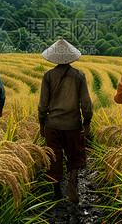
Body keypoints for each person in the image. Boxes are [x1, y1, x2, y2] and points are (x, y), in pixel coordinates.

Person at [38, 38, 93, 203]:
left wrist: (42, 122)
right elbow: (86, 103)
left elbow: (43, 104)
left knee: (54, 157)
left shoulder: (48, 76)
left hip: (52, 124)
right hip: (73, 124)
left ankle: (57, 193)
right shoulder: (79, 76)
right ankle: (72, 181)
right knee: (76, 156)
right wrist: (87, 121)